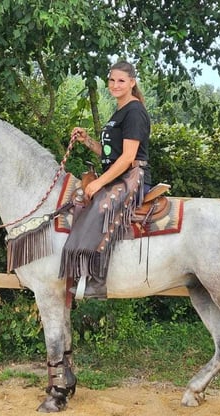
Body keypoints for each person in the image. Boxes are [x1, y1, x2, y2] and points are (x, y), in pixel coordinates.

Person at [60, 60, 152, 299]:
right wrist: (88, 141)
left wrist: (99, 183)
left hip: (133, 177)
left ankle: (97, 280)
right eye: (112, 80)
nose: (115, 85)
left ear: (132, 82)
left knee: (101, 208)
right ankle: (80, 270)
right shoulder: (120, 111)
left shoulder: (134, 111)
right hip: (118, 175)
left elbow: (129, 157)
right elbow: (111, 154)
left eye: (121, 80)